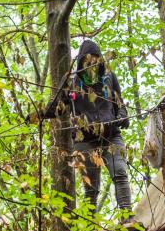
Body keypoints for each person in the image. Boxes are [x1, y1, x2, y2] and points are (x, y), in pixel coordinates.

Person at [43, 40, 132, 213]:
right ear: (81, 61)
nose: (92, 63)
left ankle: (127, 216)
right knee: (91, 187)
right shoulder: (71, 82)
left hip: (110, 136)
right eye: (88, 60)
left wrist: (122, 117)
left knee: (120, 173)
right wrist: (39, 114)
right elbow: (57, 107)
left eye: (95, 60)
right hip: (84, 140)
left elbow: (119, 103)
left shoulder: (109, 77)